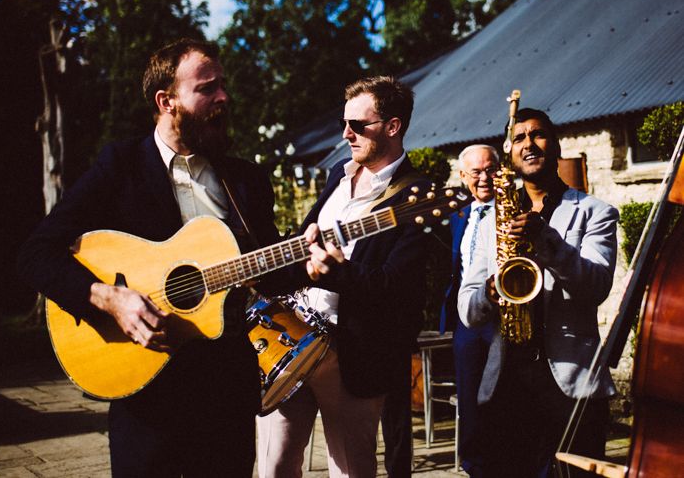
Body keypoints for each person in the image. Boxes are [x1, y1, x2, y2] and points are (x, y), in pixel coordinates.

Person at [18, 38, 283, 478]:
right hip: (145, 391)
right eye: (207, 88)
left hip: (224, 394)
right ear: (167, 101)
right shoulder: (119, 166)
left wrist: (312, 261)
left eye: (223, 86)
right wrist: (110, 298)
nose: (224, 97)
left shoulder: (245, 180)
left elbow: (272, 275)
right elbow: (35, 255)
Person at [256, 76, 435, 478]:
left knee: (350, 471)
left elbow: (397, 288)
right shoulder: (337, 176)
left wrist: (336, 275)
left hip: (354, 354)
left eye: (358, 124)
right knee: (274, 463)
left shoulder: (418, 196)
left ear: (393, 126)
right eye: (344, 123)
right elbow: (305, 244)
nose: (346, 133)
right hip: (293, 337)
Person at [458, 108, 619, 478]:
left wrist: (545, 241)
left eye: (538, 135)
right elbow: (467, 309)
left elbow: (595, 287)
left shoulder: (595, 213)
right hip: (506, 386)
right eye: (519, 138)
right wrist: (489, 292)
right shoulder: (491, 220)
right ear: (510, 154)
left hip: (571, 385)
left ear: (557, 144)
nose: (528, 143)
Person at [439, 144, 498, 477]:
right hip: (465, 320)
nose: (484, 177)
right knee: (468, 397)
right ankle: (474, 465)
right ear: (463, 176)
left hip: (500, 320)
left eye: (490, 169)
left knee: (497, 397)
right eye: (476, 172)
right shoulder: (457, 213)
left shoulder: (509, 208)